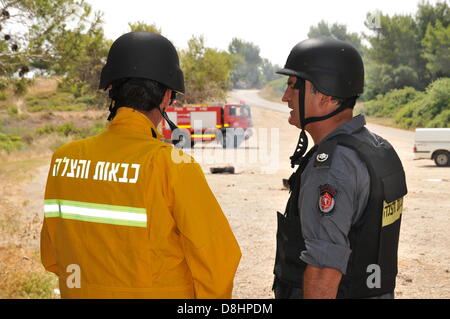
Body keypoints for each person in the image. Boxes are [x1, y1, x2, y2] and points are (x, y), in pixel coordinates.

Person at [40, 31, 241, 299]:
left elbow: (52, 257)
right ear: (167, 97)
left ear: (111, 91)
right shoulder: (173, 165)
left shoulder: (63, 160)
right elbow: (217, 261)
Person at [273, 38, 407, 299]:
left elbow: (324, 269)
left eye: (293, 86)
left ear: (323, 94)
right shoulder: (377, 148)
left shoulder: (333, 166)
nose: (285, 97)